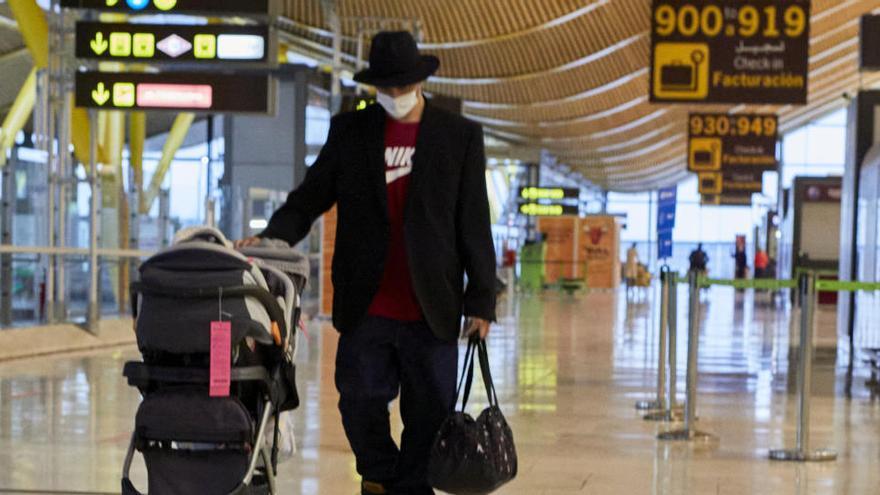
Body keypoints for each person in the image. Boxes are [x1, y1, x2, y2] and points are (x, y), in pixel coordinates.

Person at [236, 31, 496, 495]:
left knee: (429, 413)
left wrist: (481, 297)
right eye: (386, 87)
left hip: (431, 306)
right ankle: (381, 474)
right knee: (357, 402)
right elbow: (310, 196)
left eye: (402, 86)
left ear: (418, 81)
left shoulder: (459, 137)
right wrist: (272, 238)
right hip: (367, 304)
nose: (395, 96)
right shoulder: (350, 132)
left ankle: (405, 488)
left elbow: (474, 222)